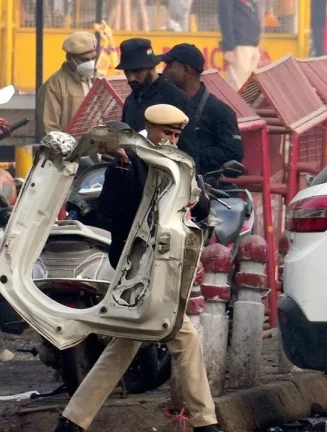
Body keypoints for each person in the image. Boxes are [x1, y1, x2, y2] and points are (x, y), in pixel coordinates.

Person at [53, 105, 221, 432]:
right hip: (135, 267)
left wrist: (194, 188)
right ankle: (205, 423)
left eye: (176, 134)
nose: (171, 139)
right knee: (182, 335)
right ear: (149, 128)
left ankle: (72, 421)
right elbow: (112, 207)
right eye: (166, 133)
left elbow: (201, 207)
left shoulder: (177, 162)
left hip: (162, 265)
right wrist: (121, 165)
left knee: (126, 343)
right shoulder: (129, 159)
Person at [162, 43, 244, 175]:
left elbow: (233, 153)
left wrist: (188, 153)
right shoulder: (165, 104)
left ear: (186, 70)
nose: (164, 71)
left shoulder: (220, 111)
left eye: (170, 65)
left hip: (203, 182)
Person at [37, 31, 100, 136]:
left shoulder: (99, 80)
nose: (90, 63)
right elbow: (49, 130)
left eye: (93, 58)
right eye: (84, 60)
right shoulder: (54, 86)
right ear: (69, 58)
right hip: (71, 145)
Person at [218, 0, 262, 90]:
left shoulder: (251, 2)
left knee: (250, 88)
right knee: (237, 85)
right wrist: (229, 48)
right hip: (240, 46)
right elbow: (225, 20)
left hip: (253, 45)